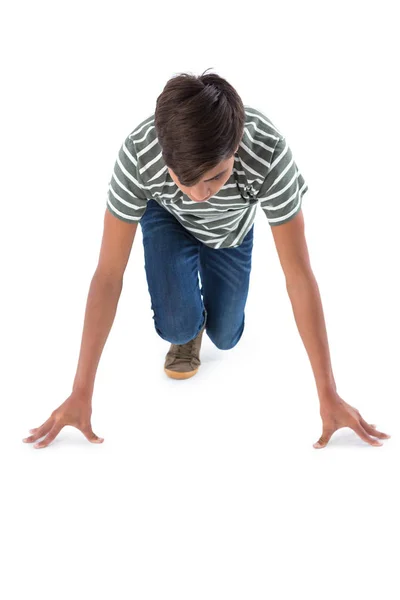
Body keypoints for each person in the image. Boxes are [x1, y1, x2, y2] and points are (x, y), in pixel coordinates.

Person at [22, 69, 390, 450]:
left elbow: (298, 274)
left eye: (215, 177)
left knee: (226, 337)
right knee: (178, 327)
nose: (199, 194)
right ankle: (183, 309)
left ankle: (202, 303)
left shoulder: (267, 147)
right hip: (168, 220)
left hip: (231, 232)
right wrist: (80, 391)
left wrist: (328, 394)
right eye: (184, 178)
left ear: (236, 148)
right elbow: (108, 275)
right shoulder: (138, 151)